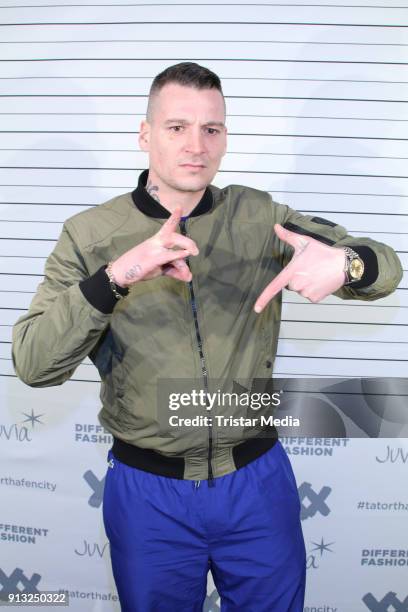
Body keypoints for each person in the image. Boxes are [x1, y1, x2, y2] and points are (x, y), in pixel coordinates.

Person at [12, 62, 402, 612]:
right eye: (176, 127)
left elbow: (384, 266)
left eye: (211, 129)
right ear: (145, 134)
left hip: (257, 484)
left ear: (225, 137)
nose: (196, 145)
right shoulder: (90, 235)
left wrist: (347, 263)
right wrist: (117, 277)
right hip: (150, 493)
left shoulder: (261, 215)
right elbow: (33, 362)